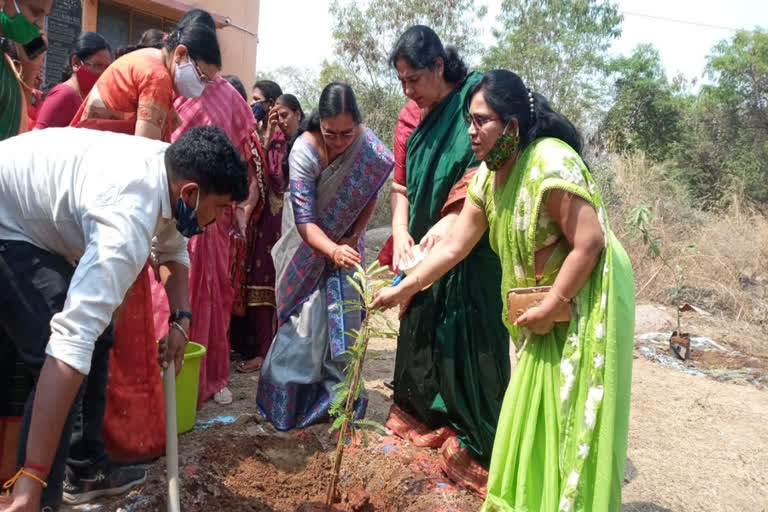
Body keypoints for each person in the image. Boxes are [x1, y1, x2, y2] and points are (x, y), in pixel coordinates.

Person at [373, 69, 635, 512]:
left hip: (588, 298)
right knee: (532, 413)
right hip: (545, 307)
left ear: (511, 125)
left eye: (482, 122)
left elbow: (590, 242)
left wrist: (554, 303)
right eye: (469, 122)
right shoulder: (488, 177)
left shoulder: (550, 163)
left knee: (569, 414)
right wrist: (406, 288)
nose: (471, 132)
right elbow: (455, 245)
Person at [0, 125, 248, 512]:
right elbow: (69, 343)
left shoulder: (172, 169)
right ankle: (33, 491)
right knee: (64, 349)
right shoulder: (127, 221)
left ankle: (80, 471)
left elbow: (172, 247)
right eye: (218, 208)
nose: (216, 220)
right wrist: (33, 475)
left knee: (97, 337)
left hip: (34, 220)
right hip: (8, 220)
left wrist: (181, 320)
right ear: (191, 193)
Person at [69, 13, 221, 464]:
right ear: (180, 55)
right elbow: (147, 169)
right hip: (103, 204)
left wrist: (181, 313)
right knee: (121, 326)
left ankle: (100, 448)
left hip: (97, 197)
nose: (203, 87)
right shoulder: (155, 76)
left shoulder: (151, 72)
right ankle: (113, 446)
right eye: (204, 75)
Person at [377, 25, 510, 495]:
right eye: (402, 82)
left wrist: (444, 227)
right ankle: (425, 418)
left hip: (469, 244)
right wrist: (400, 234)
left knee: (469, 336)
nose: (409, 91)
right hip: (422, 244)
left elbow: (483, 171)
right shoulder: (411, 116)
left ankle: (480, 442)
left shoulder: (473, 104)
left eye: (415, 79)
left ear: (439, 66)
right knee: (423, 331)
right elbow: (401, 187)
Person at [256, 82, 394, 430]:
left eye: (347, 133)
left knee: (344, 322)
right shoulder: (304, 151)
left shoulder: (368, 148)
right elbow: (305, 221)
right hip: (306, 248)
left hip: (347, 246)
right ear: (319, 124)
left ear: (357, 125)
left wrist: (353, 235)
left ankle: (339, 407)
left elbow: (371, 192)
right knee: (304, 322)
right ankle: (291, 407)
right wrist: (331, 248)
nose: (339, 142)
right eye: (331, 133)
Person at [169, 67, 259, 407]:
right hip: (179, 207)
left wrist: (233, 212)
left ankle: (208, 374)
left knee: (212, 291)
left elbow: (245, 166)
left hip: (209, 224)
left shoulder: (232, 102)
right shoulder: (167, 86)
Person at [231, 93, 304, 374]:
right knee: (262, 280)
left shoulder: (303, 144)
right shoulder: (274, 141)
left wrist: (274, 139)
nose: (281, 121)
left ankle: (274, 350)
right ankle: (262, 349)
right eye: (276, 115)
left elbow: (277, 178)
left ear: (298, 114)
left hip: (293, 220)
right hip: (272, 220)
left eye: (285, 115)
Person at [34, 31, 111, 129]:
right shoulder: (63, 94)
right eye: (98, 65)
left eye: (107, 68)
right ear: (76, 63)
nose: (103, 73)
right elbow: (37, 137)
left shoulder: (89, 98)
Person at [0, 0, 52, 140]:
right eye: (35, 12)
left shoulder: (6, 63)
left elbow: (16, 119)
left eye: (44, 16)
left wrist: (31, 68)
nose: (40, 24)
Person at [251, 78, 281, 144]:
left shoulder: (281, 133)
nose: (251, 103)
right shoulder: (254, 128)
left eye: (256, 99)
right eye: (252, 99)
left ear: (270, 103)